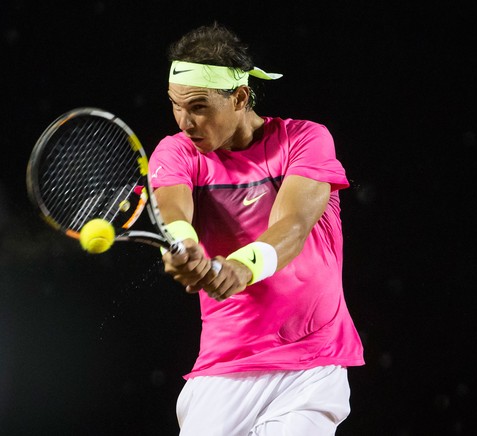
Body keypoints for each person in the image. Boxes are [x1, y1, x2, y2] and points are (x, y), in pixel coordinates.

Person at [149, 22, 365, 435]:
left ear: (241, 98)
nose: (184, 121)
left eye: (197, 106)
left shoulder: (306, 139)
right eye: (175, 105)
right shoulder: (176, 151)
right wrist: (184, 246)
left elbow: (294, 224)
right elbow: (173, 211)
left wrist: (243, 267)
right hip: (223, 368)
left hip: (310, 364)